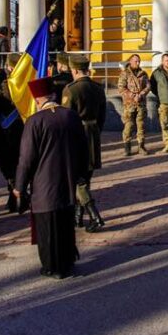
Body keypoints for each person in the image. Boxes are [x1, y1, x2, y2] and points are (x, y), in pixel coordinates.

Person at [14, 76, 89, 279]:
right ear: (54, 95)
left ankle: (51, 266)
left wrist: (19, 185)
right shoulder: (71, 116)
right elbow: (83, 148)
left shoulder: (35, 121)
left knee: (47, 224)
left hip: (44, 180)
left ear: (38, 100)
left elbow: (26, 158)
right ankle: (67, 261)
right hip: (67, 176)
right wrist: (82, 174)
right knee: (66, 220)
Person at [62, 54, 108, 232]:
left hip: (76, 135)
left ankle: (95, 216)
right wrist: (95, 130)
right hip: (93, 133)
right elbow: (103, 115)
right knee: (86, 176)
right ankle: (78, 217)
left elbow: (65, 117)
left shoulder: (71, 89)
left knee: (77, 179)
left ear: (74, 70)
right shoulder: (97, 88)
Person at [0, 53, 25, 214]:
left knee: (9, 165)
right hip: (25, 131)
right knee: (23, 164)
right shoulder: (29, 83)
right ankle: (18, 195)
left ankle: (15, 195)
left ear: (10, 67)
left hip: (7, 133)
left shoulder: (6, 85)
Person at [117, 54, 150, 156]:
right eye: (136, 61)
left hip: (141, 104)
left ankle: (141, 146)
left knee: (141, 126)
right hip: (129, 104)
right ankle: (127, 147)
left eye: (139, 61)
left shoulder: (143, 73)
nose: (138, 63)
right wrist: (132, 95)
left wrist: (141, 94)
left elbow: (148, 86)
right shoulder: (124, 74)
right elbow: (121, 88)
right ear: (130, 61)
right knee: (129, 125)